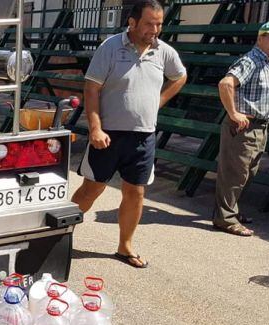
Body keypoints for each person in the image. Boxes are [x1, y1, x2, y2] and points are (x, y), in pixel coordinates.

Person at [72, 0, 187, 268]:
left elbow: (180, 77)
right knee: (92, 189)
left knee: (136, 193)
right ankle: (57, 235)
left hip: (143, 137)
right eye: (149, 23)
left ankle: (125, 246)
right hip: (108, 134)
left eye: (159, 24)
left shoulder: (164, 52)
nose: (155, 29)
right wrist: (95, 127)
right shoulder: (110, 47)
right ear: (132, 22)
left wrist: (158, 101)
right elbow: (91, 89)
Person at [213, 21, 269, 237]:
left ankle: (230, 213)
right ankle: (225, 219)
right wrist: (234, 114)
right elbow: (225, 84)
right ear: (260, 38)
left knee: (247, 173)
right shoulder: (251, 60)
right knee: (235, 174)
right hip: (244, 126)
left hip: (260, 126)